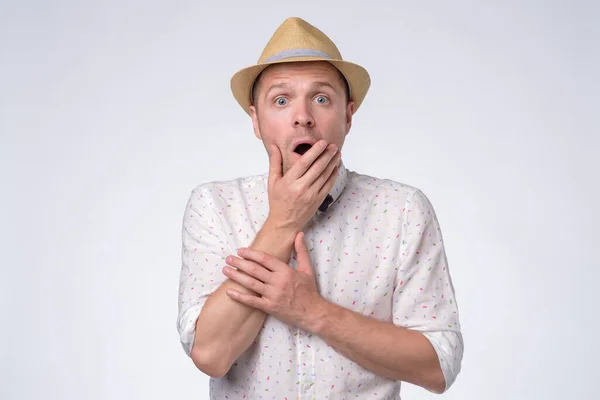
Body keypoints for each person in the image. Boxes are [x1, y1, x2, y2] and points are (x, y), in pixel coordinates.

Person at [176, 16, 463, 399]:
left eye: (322, 98)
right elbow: (211, 354)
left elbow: (438, 366)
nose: (303, 116)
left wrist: (314, 312)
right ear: (256, 121)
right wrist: (283, 220)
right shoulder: (214, 205)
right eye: (281, 100)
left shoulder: (402, 210)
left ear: (348, 115)